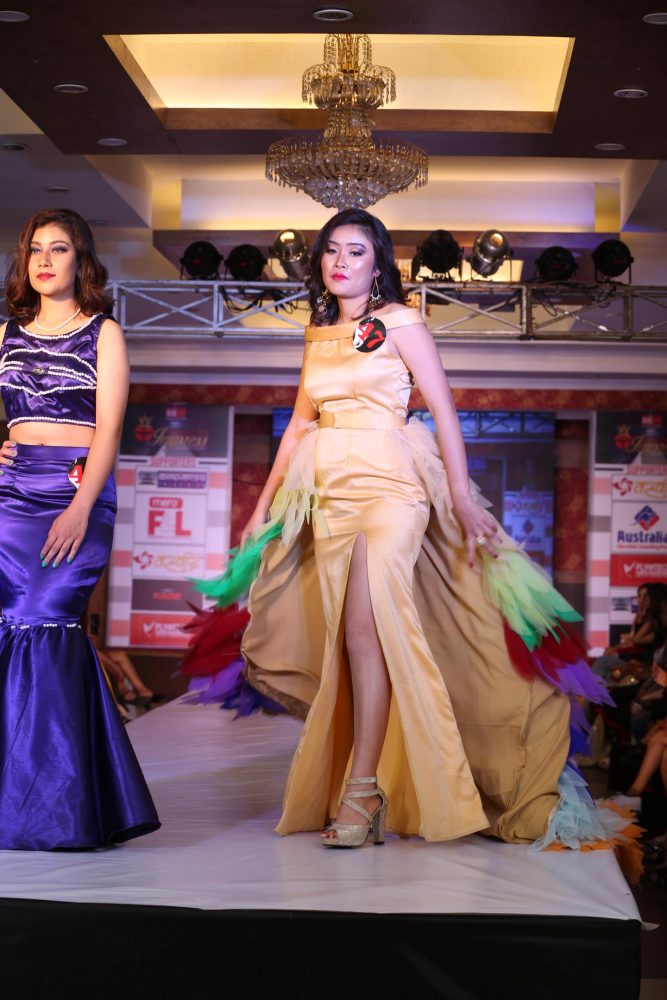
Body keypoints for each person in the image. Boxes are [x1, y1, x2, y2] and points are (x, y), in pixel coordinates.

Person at [188, 209, 617, 851]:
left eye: (356, 251)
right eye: (332, 250)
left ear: (378, 264)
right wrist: (259, 511)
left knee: (371, 626)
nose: (341, 261)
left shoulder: (402, 321)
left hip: (391, 485)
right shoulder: (317, 333)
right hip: (330, 494)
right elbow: (300, 425)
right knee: (349, 637)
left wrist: (461, 496)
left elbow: (443, 407)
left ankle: (363, 789)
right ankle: (374, 782)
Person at [0, 208, 160, 850]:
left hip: (75, 493)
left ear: (81, 260)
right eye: (35, 249)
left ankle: (59, 809)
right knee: (12, 627)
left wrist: (79, 507)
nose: (44, 260)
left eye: (58, 248)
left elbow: (109, 432)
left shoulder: (104, 333)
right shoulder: (6, 333)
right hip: (10, 497)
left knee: (46, 623)